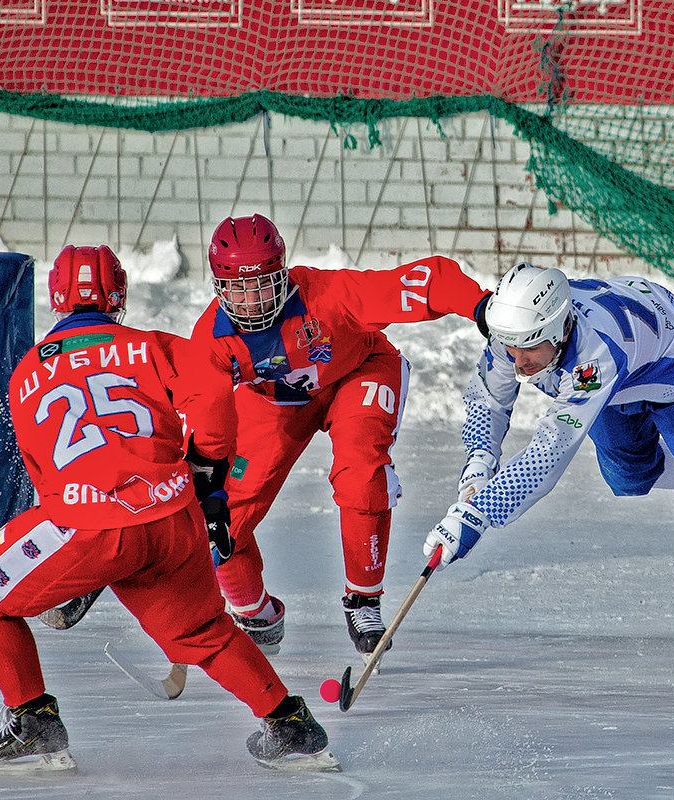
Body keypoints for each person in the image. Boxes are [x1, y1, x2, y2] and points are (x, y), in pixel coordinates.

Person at [0, 245, 339, 774]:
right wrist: (208, 478)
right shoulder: (149, 345)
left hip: (88, 523)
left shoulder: (25, 376)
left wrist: (81, 567)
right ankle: (290, 723)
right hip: (172, 516)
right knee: (203, 631)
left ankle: (31, 717)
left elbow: (48, 479)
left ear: (56, 299)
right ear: (120, 294)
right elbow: (214, 395)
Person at [191, 214, 489, 660]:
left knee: (361, 471)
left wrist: (480, 304)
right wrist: (205, 481)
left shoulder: (331, 294)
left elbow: (425, 280)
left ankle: (363, 599)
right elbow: (206, 415)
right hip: (274, 401)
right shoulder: (211, 339)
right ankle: (254, 612)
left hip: (359, 371)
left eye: (263, 286)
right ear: (219, 288)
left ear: (284, 274)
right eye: (239, 290)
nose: (252, 302)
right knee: (220, 517)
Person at [422, 262, 674, 572]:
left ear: (562, 330)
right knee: (627, 477)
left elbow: (549, 451)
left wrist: (479, 514)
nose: (517, 362)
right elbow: (488, 401)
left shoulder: (594, 358)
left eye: (529, 350)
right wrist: (478, 468)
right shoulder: (510, 337)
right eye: (509, 349)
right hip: (623, 377)